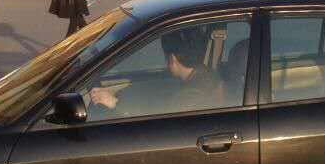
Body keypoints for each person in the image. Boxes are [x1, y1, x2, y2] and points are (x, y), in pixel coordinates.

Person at [88, 25, 225, 115]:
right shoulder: (208, 77)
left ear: (172, 59)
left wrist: (114, 104)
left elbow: (154, 127)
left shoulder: (190, 98)